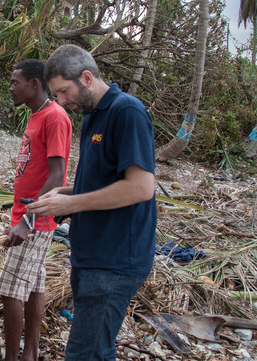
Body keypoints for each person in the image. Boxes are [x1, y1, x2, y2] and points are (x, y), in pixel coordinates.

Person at [26, 44, 156, 360]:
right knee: (89, 349)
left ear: (87, 77)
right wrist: (64, 194)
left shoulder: (126, 112)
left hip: (114, 260)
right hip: (90, 255)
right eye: (56, 94)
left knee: (87, 353)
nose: (61, 101)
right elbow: (102, 184)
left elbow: (140, 188)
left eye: (64, 91)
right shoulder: (91, 116)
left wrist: (71, 205)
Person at [0, 60, 72, 361]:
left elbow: (57, 175)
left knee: (10, 289)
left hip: (36, 220)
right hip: (29, 216)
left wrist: (28, 219)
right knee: (34, 285)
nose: (11, 88)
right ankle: (30, 351)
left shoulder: (54, 117)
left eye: (16, 82)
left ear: (35, 84)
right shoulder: (36, 116)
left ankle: (12, 357)